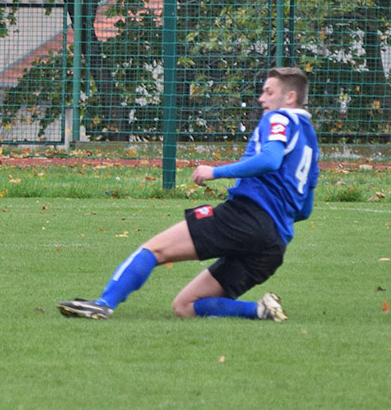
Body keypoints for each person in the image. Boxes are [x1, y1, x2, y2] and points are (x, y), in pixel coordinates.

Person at [58, 67, 319, 322]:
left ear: (290, 98)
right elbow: (305, 210)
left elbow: (270, 160)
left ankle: (104, 304)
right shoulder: (311, 142)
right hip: (274, 244)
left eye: (268, 92)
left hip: (246, 217)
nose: (262, 98)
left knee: (154, 249)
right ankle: (261, 311)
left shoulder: (280, 118)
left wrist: (214, 172)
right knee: (185, 306)